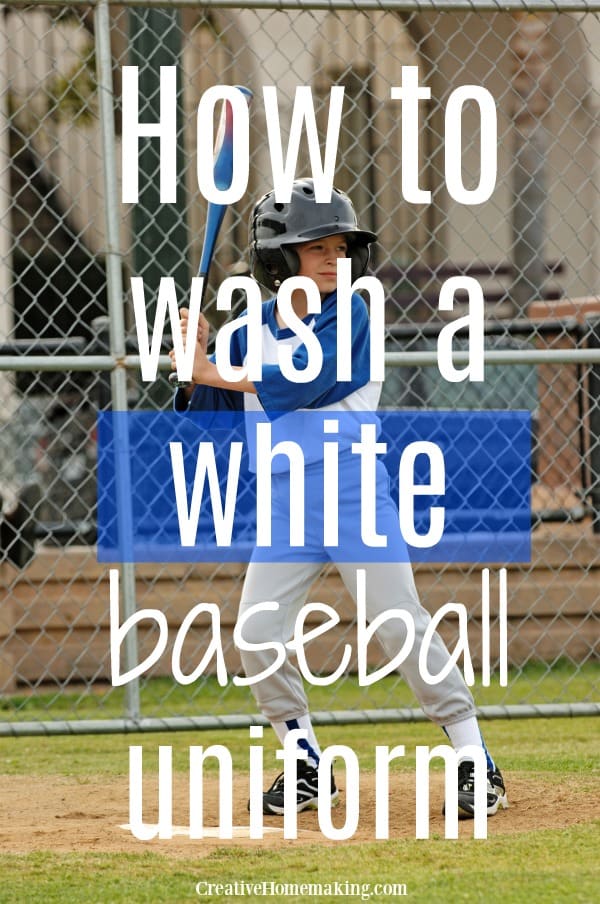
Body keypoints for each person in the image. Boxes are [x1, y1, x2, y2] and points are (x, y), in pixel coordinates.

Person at [170, 178, 508, 820]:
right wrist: (194, 359)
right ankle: (304, 765)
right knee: (258, 633)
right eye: (316, 246)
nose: (335, 258)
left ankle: (473, 759)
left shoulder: (353, 314)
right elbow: (209, 413)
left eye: (340, 247)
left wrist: (211, 367)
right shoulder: (246, 333)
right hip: (283, 498)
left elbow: (306, 382)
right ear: (277, 258)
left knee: (398, 624)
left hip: (351, 488)